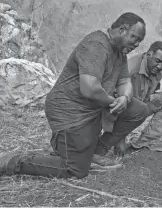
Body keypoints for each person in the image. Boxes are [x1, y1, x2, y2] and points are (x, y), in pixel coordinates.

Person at [0, 12, 149, 179]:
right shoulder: (96, 45)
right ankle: (13, 161)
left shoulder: (120, 53)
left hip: (92, 110)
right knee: (75, 170)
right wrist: (114, 102)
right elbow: (90, 89)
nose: (137, 44)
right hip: (69, 112)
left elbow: (124, 82)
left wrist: (125, 98)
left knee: (138, 110)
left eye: (139, 41)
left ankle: (95, 152)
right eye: (135, 38)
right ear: (122, 30)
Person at [114, 41, 162, 155]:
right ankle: (118, 136)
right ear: (149, 54)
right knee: (120, 150)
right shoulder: (131, 69)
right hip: (124, 110)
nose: (160, 66)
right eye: (157, 61)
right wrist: (119, 136)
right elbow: (117, 104)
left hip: (142, 105)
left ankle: (144, 142)